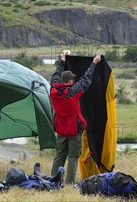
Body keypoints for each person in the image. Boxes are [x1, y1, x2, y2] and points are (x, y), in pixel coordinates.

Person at [50, 51, 102, 184]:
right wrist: (94, 63)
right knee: (73, 156)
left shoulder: (53, 91)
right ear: (71, 81)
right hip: (74, 129)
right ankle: (69, 183)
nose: (74, 81)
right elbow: (86, 79)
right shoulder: (73, 91)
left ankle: (54, 181)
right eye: (72, 79)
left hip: (61, 129)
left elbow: (56, 75)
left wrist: (62, 61)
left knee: (60, 155)